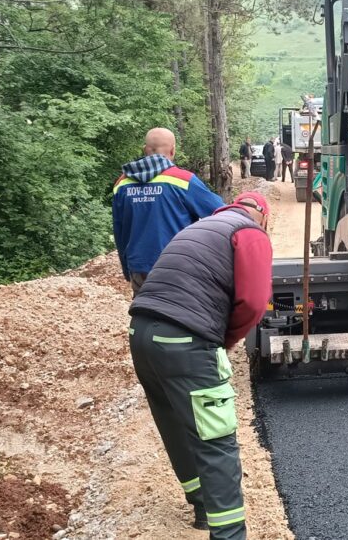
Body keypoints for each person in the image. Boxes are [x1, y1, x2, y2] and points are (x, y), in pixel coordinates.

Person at [128, 191, 273, 539]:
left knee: (175, 422)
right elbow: (254, 303)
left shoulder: (201, 227)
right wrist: (223, 342)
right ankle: (229, 534)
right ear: (264, 217)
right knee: (215, 439)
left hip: (140, 333)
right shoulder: (250, 233)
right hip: (184, 341)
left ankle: (201, 508)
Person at [112, 128, 224, 295]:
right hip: (178, 267)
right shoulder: (183, 181)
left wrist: (127, 267)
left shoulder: (122, 184)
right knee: (179, 315)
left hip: (139, 268)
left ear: (145, 150)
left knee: (145, 315)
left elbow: (119, 231)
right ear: (172, 150)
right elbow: (222, 214)